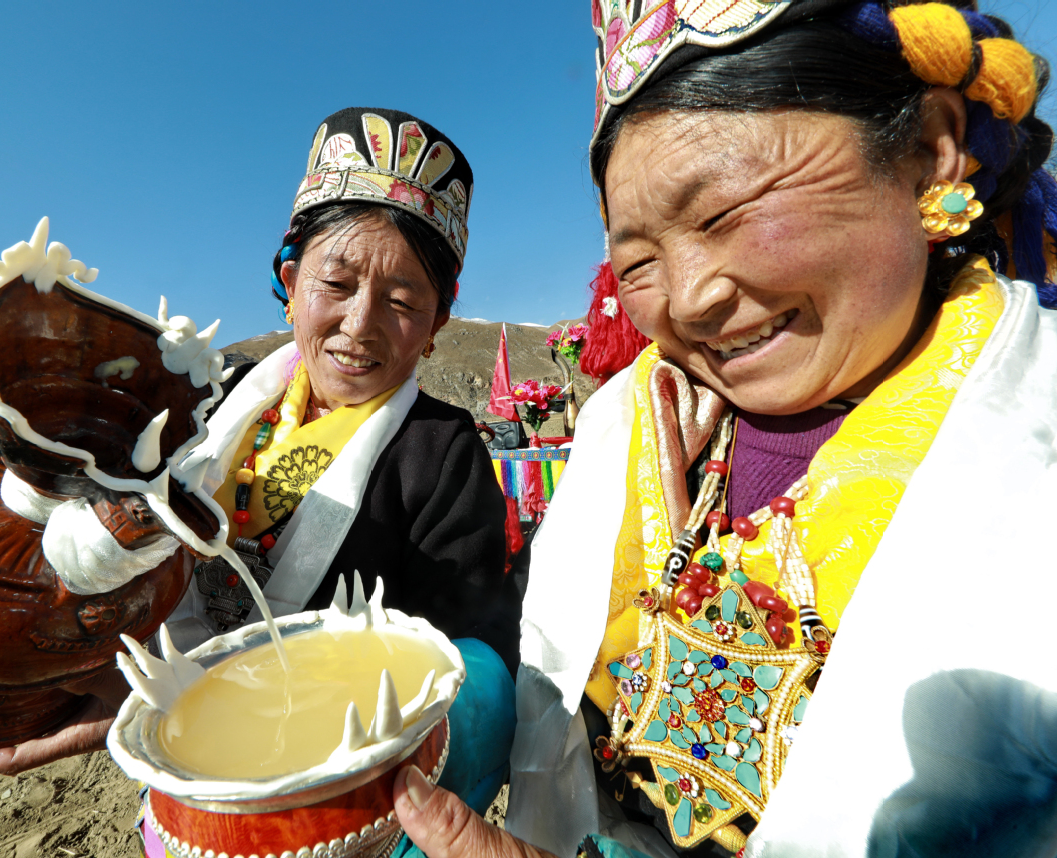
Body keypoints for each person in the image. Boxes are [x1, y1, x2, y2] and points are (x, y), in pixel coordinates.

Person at [391, 3, 1057, 857]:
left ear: (930, 153)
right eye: (638, 259)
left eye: (728, 210)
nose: (692, 295)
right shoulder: (625, 427)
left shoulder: (1027, 444)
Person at [0, 108, 520, 824]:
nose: (360, 325)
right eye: (336, 285)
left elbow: (468, 660)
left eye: (401, 302)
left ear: (435, 328)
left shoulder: (444, 452)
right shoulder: (217, 394)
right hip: (175, 750)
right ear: (292, 284)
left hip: (339, 781)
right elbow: (62, 420)